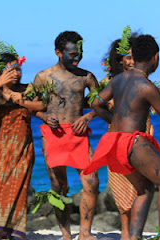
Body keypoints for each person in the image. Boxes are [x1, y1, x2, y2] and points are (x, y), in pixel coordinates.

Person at [84, 35, 160, 240]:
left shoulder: (118, 80)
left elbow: (96, 104)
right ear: (156, 57)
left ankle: (133, 238)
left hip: (114, 141)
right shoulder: (147, 87)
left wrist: (114, 119)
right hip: (133, 141)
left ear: (133, 55)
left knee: (144, 189)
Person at [33, 31, 99, 240]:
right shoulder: (44, 76)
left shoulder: (86, 76)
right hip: (53, 134)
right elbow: (31, 105)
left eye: (79, 53)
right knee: (58, 186)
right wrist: (44, 117)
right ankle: (66, 234)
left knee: (92, 182)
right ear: (58, 52)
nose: (77, 58)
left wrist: (87, 117)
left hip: (79, 134)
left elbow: (99, 104)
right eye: (71, 54)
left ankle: (85, 233)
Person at [0, 46, 43, 239]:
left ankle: (10, 229)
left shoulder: (28, 89)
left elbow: (41, 105)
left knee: (18, 189)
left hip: (22, 148)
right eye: (10, 70)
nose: (16, 73)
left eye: (18, 69)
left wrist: (22, 101)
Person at [99, 28, 152, 240]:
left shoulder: (142, 79)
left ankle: (135, 232)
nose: (132, 61)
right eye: (128, 57)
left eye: (134, 57)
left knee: (139, 183)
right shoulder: (110, 82)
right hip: (118, 137)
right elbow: (96, 105)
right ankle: (125, 232)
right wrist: (109, 120)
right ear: (119, 60)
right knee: (121, 183)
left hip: (142, 133)